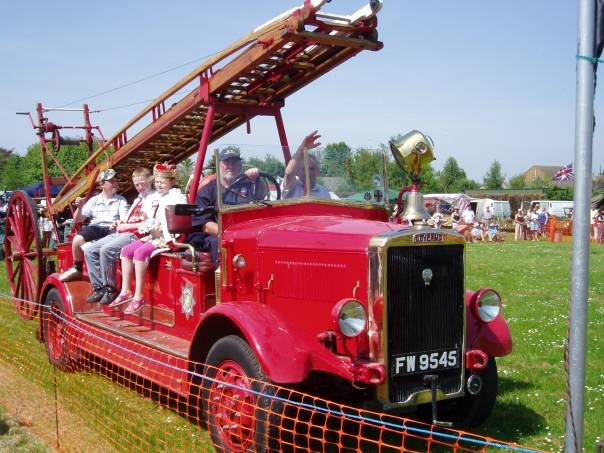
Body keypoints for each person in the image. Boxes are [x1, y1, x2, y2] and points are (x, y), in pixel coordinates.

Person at [110, 164, 186, 314]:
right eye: (157, 182)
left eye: (162, 182)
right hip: (153, 234)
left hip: (168, 237)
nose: (158, 185)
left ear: (171, 182)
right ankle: (125, 290)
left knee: (140, 253)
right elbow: (148, 216)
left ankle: (139, 296)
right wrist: (147, 221)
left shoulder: (177, 196)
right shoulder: (155, 197)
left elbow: (177, 218)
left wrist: (161, 228)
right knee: (126, 251)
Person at [83, 168, 155, 305]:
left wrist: (126, 226)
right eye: (137, 185)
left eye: (143, 184)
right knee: (90, 250)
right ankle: (99, 288)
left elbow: (150, 223)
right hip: (123, 231)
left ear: (150, 181)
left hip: (136, 235)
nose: (140, 187)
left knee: (106, 250)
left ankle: (111, 288)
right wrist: (120, 222)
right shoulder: (138, 199)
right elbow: (129, 219)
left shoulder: (153, 198)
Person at [186, 148, 265, 269]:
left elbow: (261, 198)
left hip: (245, 232)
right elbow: (205, 225)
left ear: (240, 165)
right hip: (217, 233)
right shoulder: (207, 190)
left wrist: (257, 179)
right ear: (219, 165)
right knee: (219, 242)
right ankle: (225, 281)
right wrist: (231, 233)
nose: (230, 166)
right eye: (226, 162)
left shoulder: (248, 185)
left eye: (234, 162)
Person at [59, 169, 128, 282]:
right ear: (102, 184)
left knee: (104, 246)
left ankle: (104, 276)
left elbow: (124, 218)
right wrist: (80, 208)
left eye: (116, 181)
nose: (116, 183)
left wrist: (120, 221)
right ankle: (78, 268)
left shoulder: (121, 200)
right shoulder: (94, 200)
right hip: (95, 227)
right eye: (112, 181)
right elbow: (78, 219)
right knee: (77, 239)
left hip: (112, 228)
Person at [282, 130, 331, 199]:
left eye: (312, 169)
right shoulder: (291, 187)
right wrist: (302, 148)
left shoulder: (323, 192)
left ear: (317, 172)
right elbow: (289, 174)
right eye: (304, 169)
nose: (308, 172)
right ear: (297, 172)